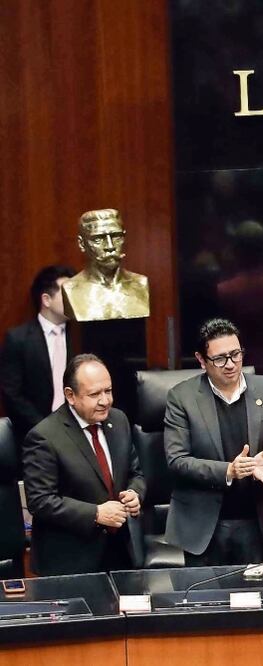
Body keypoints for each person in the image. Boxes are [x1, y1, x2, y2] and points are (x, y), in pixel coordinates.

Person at [163, 318, 263, 565]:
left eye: (236, 354)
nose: (230, 364)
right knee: (207, 603)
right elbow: (177, 460)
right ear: (201, 360)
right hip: (205, 527)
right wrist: (228, 471)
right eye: (220, 358)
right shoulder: (181, 398)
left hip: (260, 522)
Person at [22, 354, 144, 574]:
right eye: (95, 394)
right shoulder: (44, 436)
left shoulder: (118, 421)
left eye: (108, 391)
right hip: (70, 562)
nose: (105, 400)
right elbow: (40, 501)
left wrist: (135, 493)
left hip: (120, 553)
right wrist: (95, 513)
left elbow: (135, 472)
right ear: (70, 395)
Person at [0, 265, 75, 443]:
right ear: (46, 299)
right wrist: (45, 429)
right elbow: (11, 393)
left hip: (77, 433)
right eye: (67, 293)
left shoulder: (81, 337)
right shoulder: (18, 339)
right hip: (35, 434)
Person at [61, 209, 150, 321]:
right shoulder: (71, 289)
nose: (110, 246)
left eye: (116, 237)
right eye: (98, 239)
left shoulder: (141, 284)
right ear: (82, 243)